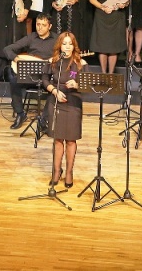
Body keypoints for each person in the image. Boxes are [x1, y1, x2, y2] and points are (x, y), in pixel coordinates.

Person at [42, 32, 88, 188]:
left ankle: (69, 172)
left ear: (74, 46)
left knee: (71, 139)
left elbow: (89, 85)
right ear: (59, 46)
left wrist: (77, 85)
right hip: (56, 102)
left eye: (70, 44)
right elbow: (45, 80)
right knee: (58, 139)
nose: (67, 47)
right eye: (64, 44)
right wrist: (54, 91)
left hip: (73, 103)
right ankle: (56, 171)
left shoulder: (81, 63)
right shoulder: (54, 62)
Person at [3, 13, 58, 130]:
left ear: (50, 26)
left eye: (43, 25)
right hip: (30, 76)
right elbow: (7, 49)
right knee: (13, 80)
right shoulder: (31, 37)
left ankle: (44, 119)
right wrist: (16, 58)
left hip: (47, 78)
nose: (40, 27)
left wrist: (55, 60)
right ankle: (20, 114)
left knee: (55, 87)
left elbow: (67, 55)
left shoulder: (57, 39)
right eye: (38, 24)